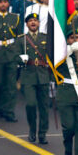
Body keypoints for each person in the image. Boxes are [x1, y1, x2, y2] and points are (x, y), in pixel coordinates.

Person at [17, 13, 50, 144]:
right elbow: (14, 56)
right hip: (28, 75)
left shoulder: (46, 38)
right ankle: (32, 129)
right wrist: (21, 59)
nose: (33, 23)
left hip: (43, 75)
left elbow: (51, 58)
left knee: (44, 106)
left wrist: (52, 78)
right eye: (30, 21)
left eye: (35, 20)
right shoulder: (21, 39)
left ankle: (42, 133)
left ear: (39, 23)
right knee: (31, 104)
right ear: (26, 24)